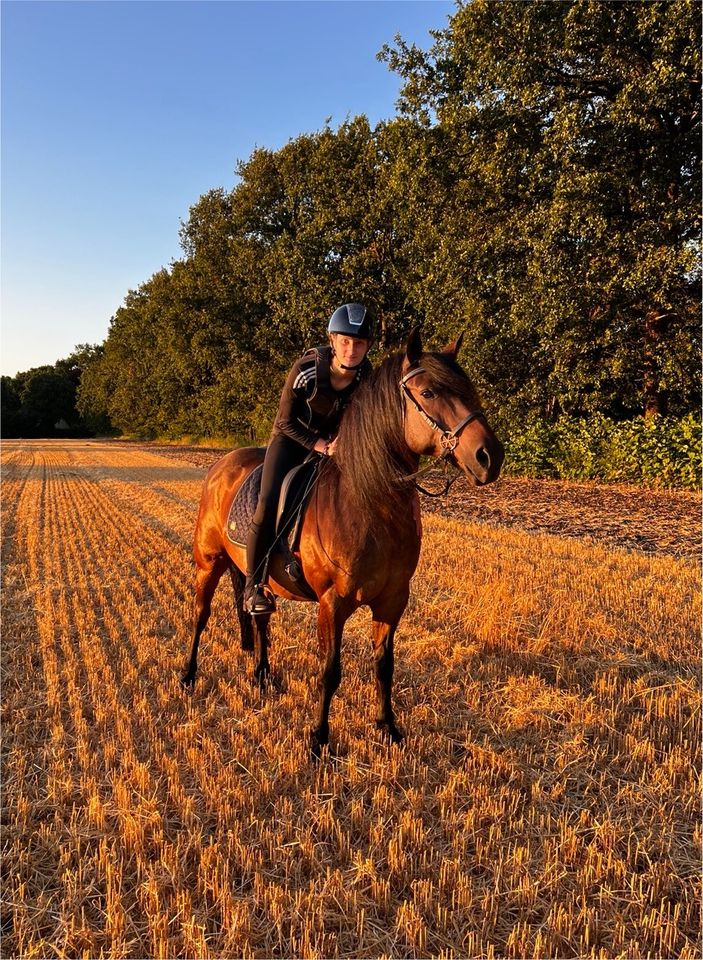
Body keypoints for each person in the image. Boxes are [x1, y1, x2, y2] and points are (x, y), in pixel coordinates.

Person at [245, 303, 375, 614]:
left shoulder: (366, 376)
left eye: (359, 343)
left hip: (335, 445)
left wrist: (345, 439)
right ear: (332, 340)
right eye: (345, 341)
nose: (351, 349)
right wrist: (319, 444)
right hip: (292, 441)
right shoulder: (305, 371)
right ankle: (254, 585)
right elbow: (284, 422)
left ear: (368, 346)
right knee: (268, 499)